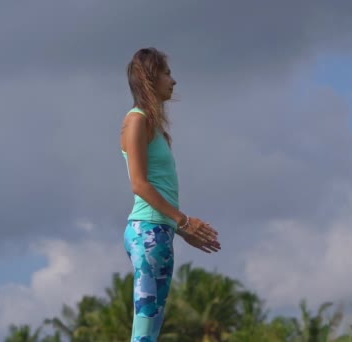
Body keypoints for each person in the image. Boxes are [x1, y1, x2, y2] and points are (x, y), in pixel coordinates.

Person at [120, 47, 221, 341]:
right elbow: (139, 184)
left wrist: (180, 228)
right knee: (145, 325)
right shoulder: (136, 119)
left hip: (160, 231)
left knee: (151, 327)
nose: (173, 80)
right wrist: (185, 221)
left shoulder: (155, 127)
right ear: (151, 77)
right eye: (166, 73)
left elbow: (158, 185)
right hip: (147, 230)